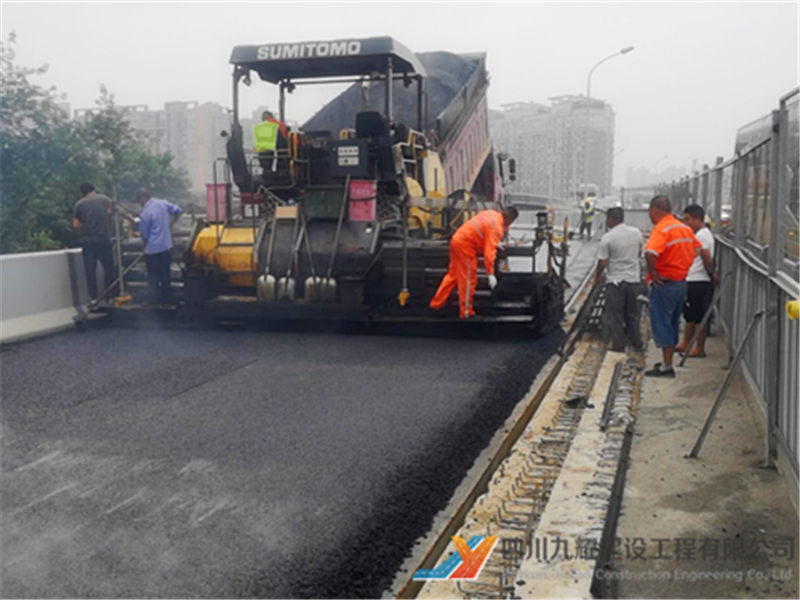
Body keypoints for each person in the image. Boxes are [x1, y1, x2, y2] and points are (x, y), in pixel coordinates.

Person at [643, 195, 701, 377]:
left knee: (661, 323)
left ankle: (667, 366)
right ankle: (667, 362)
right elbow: (697, 248)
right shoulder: (683, 228)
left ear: (654, 211)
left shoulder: (662, 229)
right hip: (680, 282)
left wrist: (653, 273)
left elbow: (650, 253)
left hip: (664, 284)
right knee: (673, 322)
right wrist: (683, 263)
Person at [429, 206, 519, 319]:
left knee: (453, 275)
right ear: (509, 220)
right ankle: (466, 312)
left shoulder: (491, 213)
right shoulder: (496, 227)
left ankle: (436, 304)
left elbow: (482, 231)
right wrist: (490, 274)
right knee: (468, 280)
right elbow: (489, 254)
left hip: (457, 240)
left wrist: (494, 242)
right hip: (465, 247)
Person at [594, 207, 644, 352]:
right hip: (633, 280)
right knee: (632, 313)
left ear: (610, 219)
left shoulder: (608, 238)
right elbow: (640, 252)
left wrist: (597, 278)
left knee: (616, 315)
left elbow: (602, 262)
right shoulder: (636, 233)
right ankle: (636, 342)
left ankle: (618, 344)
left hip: (615, 282)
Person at [676, 204, 717, 357]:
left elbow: (706, 256)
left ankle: (699, 348)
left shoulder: (702, 236)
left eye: (687, 219)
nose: (685, 223)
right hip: (692, 278)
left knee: (699, 315)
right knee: (690, 314)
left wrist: (711, 273)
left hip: (699, 280)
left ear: (697, 219)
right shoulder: (698, 234)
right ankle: (686, 342)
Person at [136, 188, 182, 306]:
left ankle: (155, 302)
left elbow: (144, 235)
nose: (139, 204)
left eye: (139, 201)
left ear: (142, 198)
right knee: (166, 276)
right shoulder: (163, 203)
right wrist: (170, 224)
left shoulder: (145, 213)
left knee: (153, 278)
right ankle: (167, 301)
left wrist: (144, 245)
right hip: (166, 247)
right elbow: (178, 210)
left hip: (152, 251)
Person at [73, 182, 117, 303]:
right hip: (104, 240)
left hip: (88, 242)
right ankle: (110, 295)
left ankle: (93, 298)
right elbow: (114, 209)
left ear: (82, 192)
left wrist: (81, 231)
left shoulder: (79, 204)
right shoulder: (105, 199)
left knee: (90, 271)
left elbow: (76, 224)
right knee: (109, 268)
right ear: (93, 190)